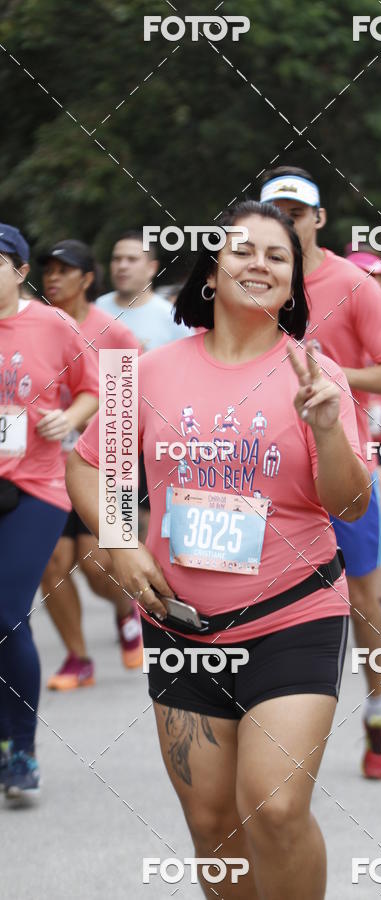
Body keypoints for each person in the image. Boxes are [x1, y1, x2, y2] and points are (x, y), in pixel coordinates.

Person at [66, 201, 371, 899]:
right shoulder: (146, 373)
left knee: (275, 808)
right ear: (210, 271)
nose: (258, 263)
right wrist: (119, 539)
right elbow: (87, 466)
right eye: (242, 250)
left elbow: (350, 503)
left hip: (294, 614)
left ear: (292, 286)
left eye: (277, 255)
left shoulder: (317, 376)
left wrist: (327, 427)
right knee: (211, 825)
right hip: (181, 627)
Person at [260, 166, 381, 779]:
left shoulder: (352, 284)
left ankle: (378, 710)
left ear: (319, 219)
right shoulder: (250, 282)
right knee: (263, 592)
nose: (287, 223)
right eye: (276, 213)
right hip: (266, 468)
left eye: (297, 213)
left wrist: (329, 375)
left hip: (344, 465)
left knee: (363, 598)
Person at [0, 224, 98, 801]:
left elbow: (94, 388)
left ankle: (22, 747)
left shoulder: (52, 324)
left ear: (19, 272)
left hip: (36, 486)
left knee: (7, 614)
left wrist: (70, 417)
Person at [39, 239, 144, 689]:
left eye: (64, 270)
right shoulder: (35, 324)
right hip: (44, 466)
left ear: (86, 279)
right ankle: (77, 658)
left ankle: (126, 609)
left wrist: (89, 421)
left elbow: (134, 402)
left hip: (108, 463)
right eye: (48, 270)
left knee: (98, 563)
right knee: (52, 564)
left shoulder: (113, 333)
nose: (53, 278)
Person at [97, 231, 191, 541]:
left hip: (156, 436)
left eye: (131, 259)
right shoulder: (97, 310)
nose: (122, 266)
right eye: (116, 259)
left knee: (152, 527)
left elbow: (188, 375)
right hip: (110, 436)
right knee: (115, 531)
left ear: (152, 267)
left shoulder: (171, 317)